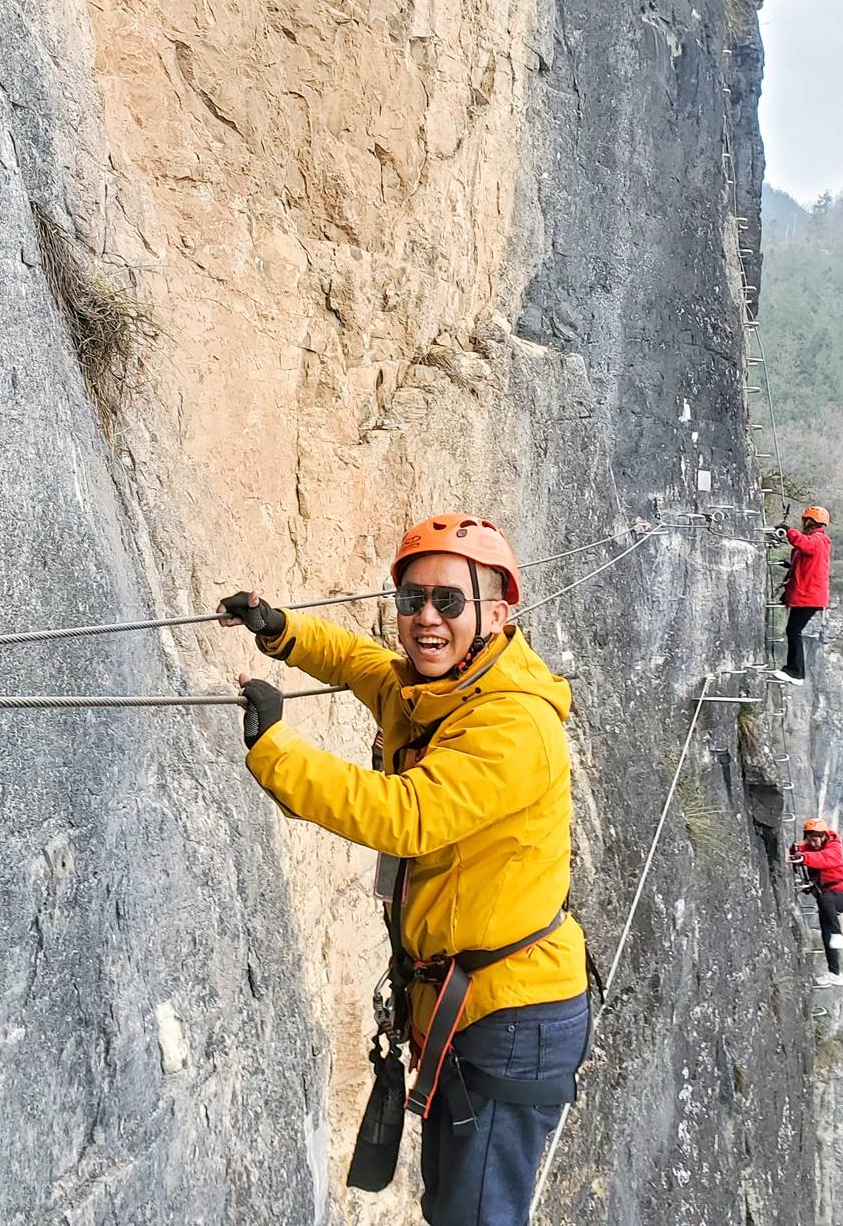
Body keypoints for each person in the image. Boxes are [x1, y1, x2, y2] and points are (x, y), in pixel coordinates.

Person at [221, 513, 589, 1226]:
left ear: (498, 613)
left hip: (510, 1017)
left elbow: (406, 815)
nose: (426, 617)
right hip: (476, 1005)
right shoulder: (442, 692)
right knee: (453, 1203)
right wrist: (280, 630)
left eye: (448, 601)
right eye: (411, 599)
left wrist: (275, 746)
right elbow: (363, 666)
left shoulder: (511, 724)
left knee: (473, 1215)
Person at [792, 818, 843, 988]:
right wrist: (796, 850)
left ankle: (838, 935)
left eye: (815, 838)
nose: (812, 842)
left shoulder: (833, 847)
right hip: (826, 897)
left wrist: (804, 857)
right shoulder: (813, 846)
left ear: (824, 837)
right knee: (826, 934)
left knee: (827, 901)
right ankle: (834, 973)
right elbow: (801, 850)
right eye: (810, 838)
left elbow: (824, 859)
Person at [769, 505, 831, 685]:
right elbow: (808, 560)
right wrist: (791, 565)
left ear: (809, 522)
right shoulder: (819, 541)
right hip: (810, 596)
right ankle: (795, 671)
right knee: (794, 630)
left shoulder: (818, 540)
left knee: (794, 630)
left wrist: (789, 532)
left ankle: (796, 672)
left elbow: (805, 545)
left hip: (808, 597)